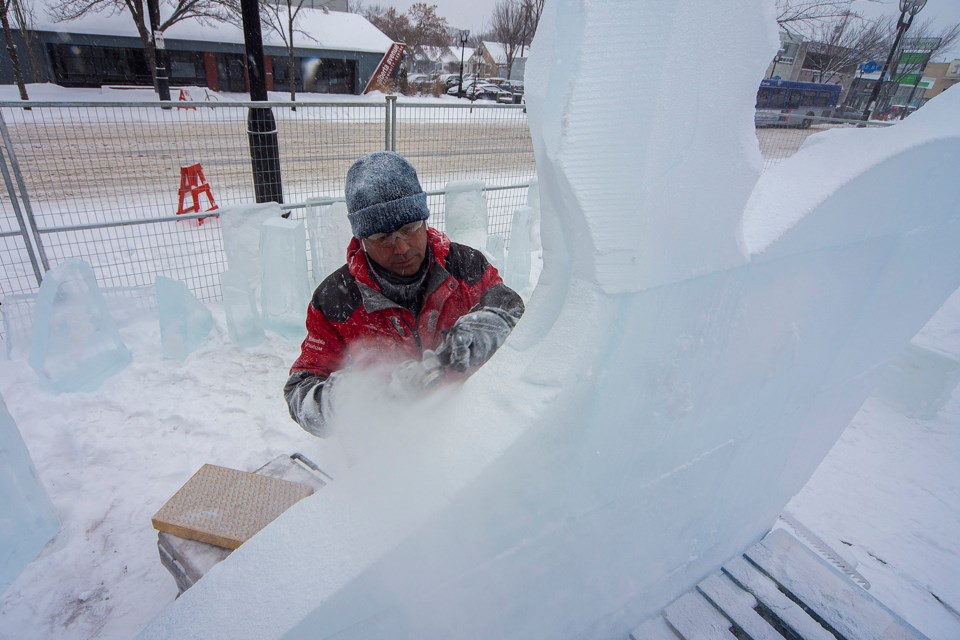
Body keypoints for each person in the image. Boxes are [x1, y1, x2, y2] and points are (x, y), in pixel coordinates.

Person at [284, 151, 525, 436]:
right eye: (382, 237)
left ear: (424, 220)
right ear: (361, 239)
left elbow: (512, 306)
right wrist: (362, 397)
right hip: (389, 451)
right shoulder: (335, 301)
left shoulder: (465, 266)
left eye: (409, 229)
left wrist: (484, 328)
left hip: (467, 434)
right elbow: (299, 391)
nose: (401, 248)